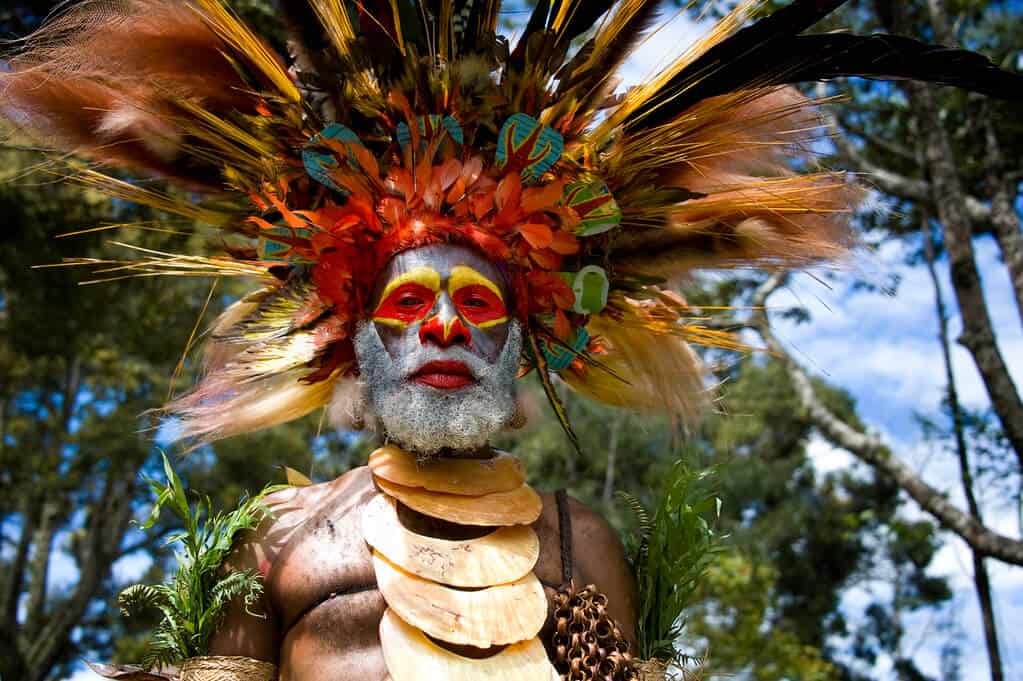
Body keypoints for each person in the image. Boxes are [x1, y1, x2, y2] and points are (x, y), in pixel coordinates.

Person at [3, 1, 1019, 679]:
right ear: (356, 340)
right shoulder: (281, 535)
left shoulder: (581, 546)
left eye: (477, 306)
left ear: (521, 342)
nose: (442, 323)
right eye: (407, 307)